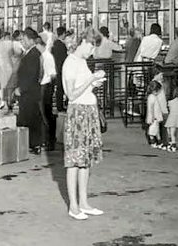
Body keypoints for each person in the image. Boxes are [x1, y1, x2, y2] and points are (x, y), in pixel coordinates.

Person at [62, 27, 106, 221]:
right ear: (84, 42)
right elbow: (71, 94)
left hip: (88, 112)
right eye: (92, 47)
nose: (93, 52)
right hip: (78, 114)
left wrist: (93, 83)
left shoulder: (82, 61)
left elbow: (84, 86)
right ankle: (73, 206)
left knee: (85, 160)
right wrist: (91, 79)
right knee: (74, 162)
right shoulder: (70, 62)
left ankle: (84, 203)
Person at [16, 28, 44, 154]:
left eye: (24, 39)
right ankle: (33, 143)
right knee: (30, 116)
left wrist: (21, 88)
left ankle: (34, 143)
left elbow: (31, 75)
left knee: (31, 117)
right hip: (30, 91)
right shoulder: (30, 53)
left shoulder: (33, 54)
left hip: (29, 92)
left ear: (30, 40)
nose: (22, 42)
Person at [39, 35, 58, 151]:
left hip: (46, 87)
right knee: (42, 113)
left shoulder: (48, 57)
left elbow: (53, 74)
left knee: (46, 113)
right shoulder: (40, 55)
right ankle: (45, 138)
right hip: (41, 87)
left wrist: (51, 89)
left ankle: (50, 139)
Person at [51, 26, 69, 112]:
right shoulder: (61, 45)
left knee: (59, 87)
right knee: (60, 88)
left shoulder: (55, 44)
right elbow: (63, 58)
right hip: (61, 68)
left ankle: (59, 105)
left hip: (56, 67)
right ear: (63, 34)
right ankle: (60, 106)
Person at [144, 79, 167, 149]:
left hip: (155, 117)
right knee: (152, 131)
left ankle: (158, 142)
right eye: (159, 90)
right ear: (155, 90)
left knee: (156, 131)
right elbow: (150, 109)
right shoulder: (152, 97)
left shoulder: (152, 97)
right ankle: (154, 142)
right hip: (154, 118)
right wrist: (151, 118)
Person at [164, 86, 178, 151]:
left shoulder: (170, 102)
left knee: (171, 132)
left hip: (172, 118)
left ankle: (172, 144)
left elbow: (169, 109)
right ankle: (172, 143)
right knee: (175, 132)